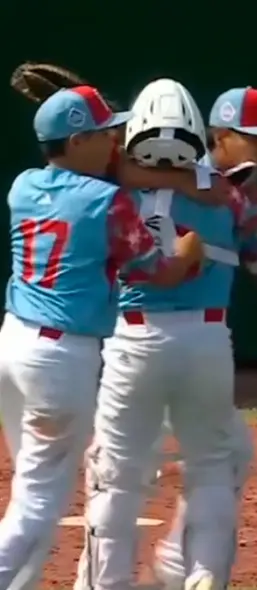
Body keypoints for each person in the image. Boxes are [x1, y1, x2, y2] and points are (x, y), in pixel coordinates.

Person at [75, 78, 257, 590]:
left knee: (116, 477)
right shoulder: (232, 192)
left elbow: (115, 159)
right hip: (208, 341)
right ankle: (203, 576)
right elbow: (218, 188)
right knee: (212, 467)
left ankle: (107, 585)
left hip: (134, 341)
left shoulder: (112, 184)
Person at [0, 85, 203, 589]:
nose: (113, 139)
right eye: (101, 133)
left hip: (13, 345)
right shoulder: (108, 202)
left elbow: (97, 176)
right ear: (73, 143)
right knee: (38, 502)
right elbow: (157, 271)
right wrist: (189, 250)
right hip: (59, 361)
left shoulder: (22, 186)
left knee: (32, 486)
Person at [145, 85, 257, 590]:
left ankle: (170, 571)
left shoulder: (244, 198)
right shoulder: (166, 174)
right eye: (255, 139)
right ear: (220, 135)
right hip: (149, 342)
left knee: (220, 455)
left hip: (176, 348)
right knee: (166, 465)